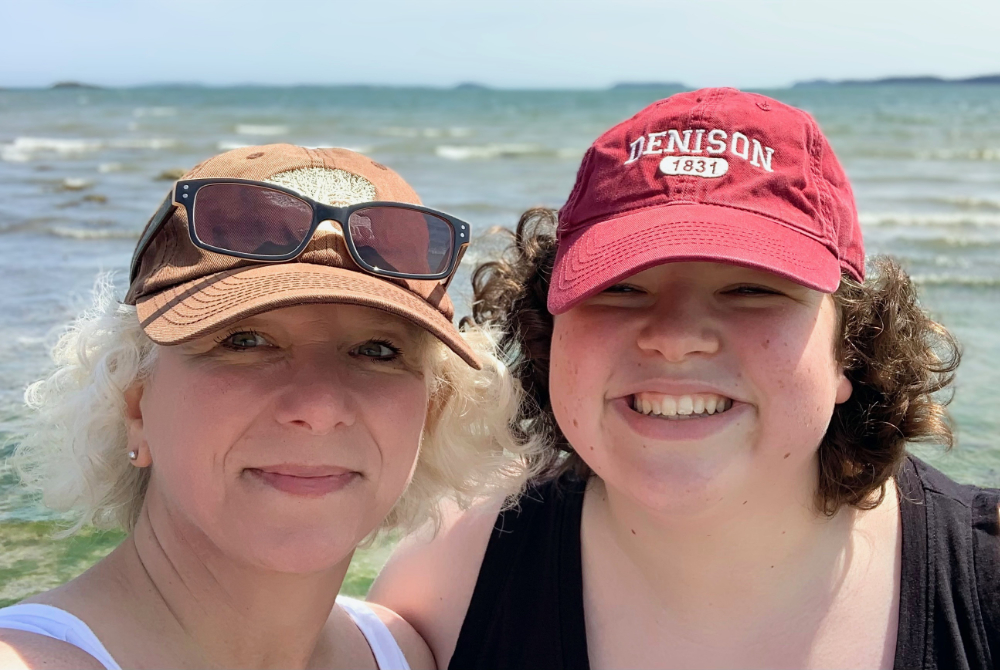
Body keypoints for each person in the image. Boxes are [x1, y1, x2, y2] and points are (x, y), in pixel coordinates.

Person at [369, 89, 1000, 669]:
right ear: (548, 334)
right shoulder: (444, 586)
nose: (674, 335)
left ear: (850, 351)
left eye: (751, 289)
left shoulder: (983, 583)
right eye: (619, 288)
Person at [0, 144, 541, 670]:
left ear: (432, 411)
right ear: (135, 404)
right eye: (246, 341)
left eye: (376, 351)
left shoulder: (399, 650)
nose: (320, 406)